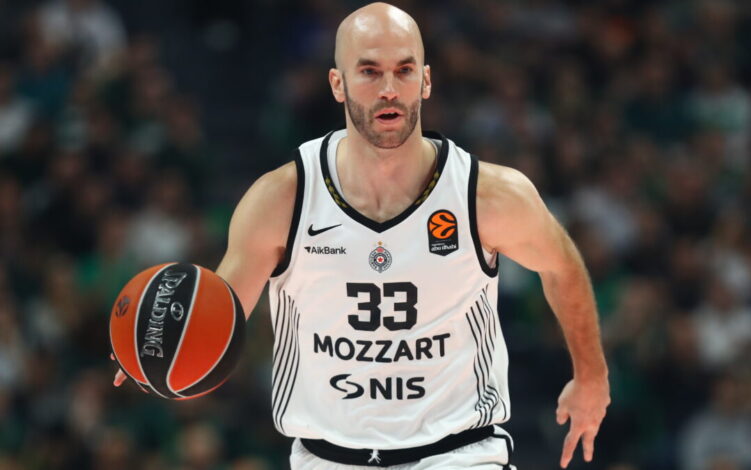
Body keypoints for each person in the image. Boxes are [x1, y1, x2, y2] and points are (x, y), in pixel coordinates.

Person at [113, 3, 610, 468]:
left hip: (459, 453)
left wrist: (591, 375)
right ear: (338, 83)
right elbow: (221, 317)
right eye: (369, 71)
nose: (389, 88)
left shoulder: (487, 195)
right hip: (326, 456)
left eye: (404, 70)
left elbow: (562, 265)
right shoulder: (282, 200)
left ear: (426, 80)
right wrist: (155, 349)